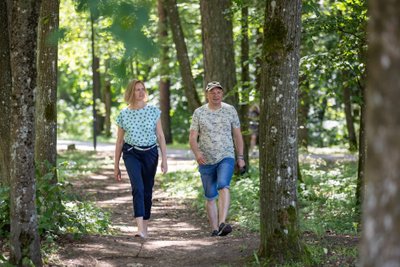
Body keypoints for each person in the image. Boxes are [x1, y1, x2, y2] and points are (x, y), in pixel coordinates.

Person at [189, 81, 246, 237]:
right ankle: (215, 229)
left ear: (222, 94)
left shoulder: (230, 110)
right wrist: (198, 153)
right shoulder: (199, 113)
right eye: (212, 92)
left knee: (223, 185)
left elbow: (237, 135)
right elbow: (193, 137)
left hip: (226, 155)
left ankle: (222, 222)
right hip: (205, 159)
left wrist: (240, 157)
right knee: (210, 196)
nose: (216, 95)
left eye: (218, 92)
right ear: (207, 94)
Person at [114, 79, 168, 238]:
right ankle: (139, 229)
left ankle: (145, 226)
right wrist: (116, 165)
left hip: (151, 153)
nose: (140, 92)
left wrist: (164, 160)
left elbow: (160, 135)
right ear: (131, 92)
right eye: (137, 89)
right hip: (131, 153)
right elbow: (119, 141)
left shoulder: (153, 111)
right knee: (138, 187)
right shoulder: (123, 114)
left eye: (142, 89)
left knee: (147, 189)